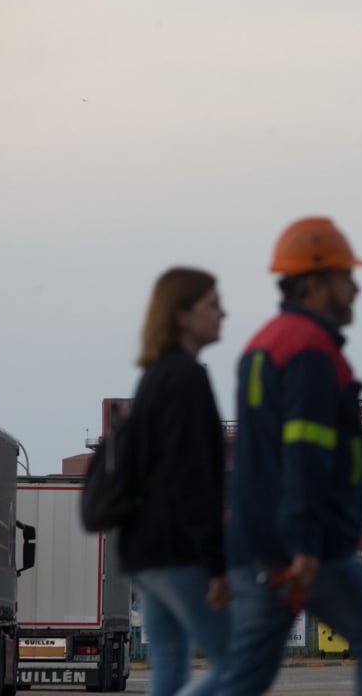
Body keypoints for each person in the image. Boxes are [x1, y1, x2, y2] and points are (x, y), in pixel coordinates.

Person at [221, 216, 362, 696]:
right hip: (305, 547)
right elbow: (304, 454)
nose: (356, 289)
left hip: (256, 540)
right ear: (317, 283)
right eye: (348, 277)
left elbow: (257, 459)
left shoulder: (260, 345)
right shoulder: (311, 351)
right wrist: (304, 546)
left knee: (246, 677)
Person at [118, 267, 230, 696]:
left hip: (143, 552)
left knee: (169, 668)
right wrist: (216, 566)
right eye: (213, 304)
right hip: (178, 551)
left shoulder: (154, 376)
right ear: (182, 314)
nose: (224, 313)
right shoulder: (186, 377)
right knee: (238, 663)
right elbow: (194, 481)